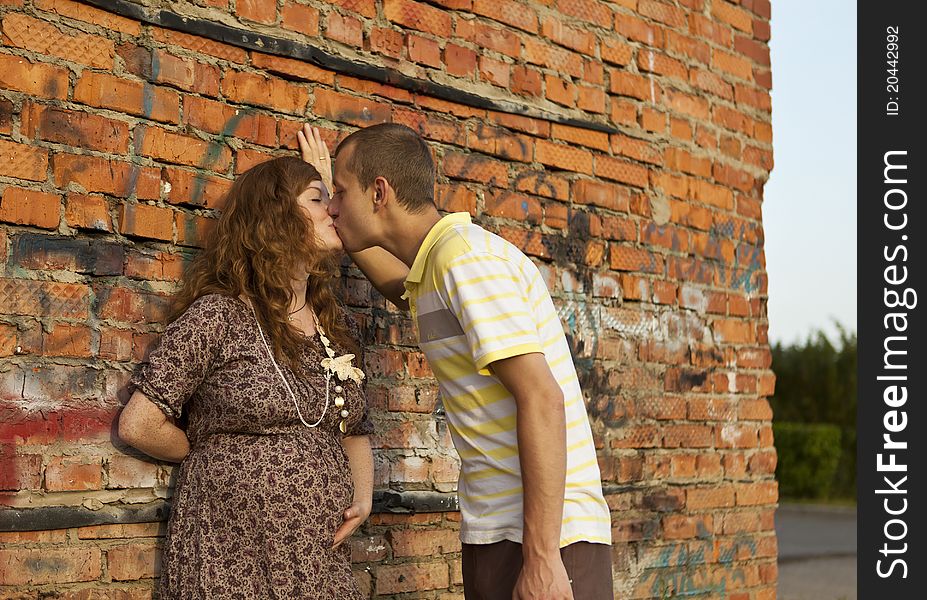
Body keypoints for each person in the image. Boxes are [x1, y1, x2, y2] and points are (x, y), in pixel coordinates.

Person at [298, 123, 613, 600]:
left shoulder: (465, 261)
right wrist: (330, 182)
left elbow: (542, 397)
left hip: (549, 539)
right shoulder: (435, 270)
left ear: (379, 192)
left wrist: (543, 558)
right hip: (498, 531)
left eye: (339, 193)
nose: (333, 206)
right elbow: (394, 285)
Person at [118, 156, 373, 599]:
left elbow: (352, 428)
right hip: (229, 558)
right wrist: (213, 455)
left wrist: (364, 499)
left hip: (316, 561)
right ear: (275, 217)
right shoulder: (219, 316)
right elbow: (138, 424)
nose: (332, 209)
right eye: (317, 199)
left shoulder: (336, 327)